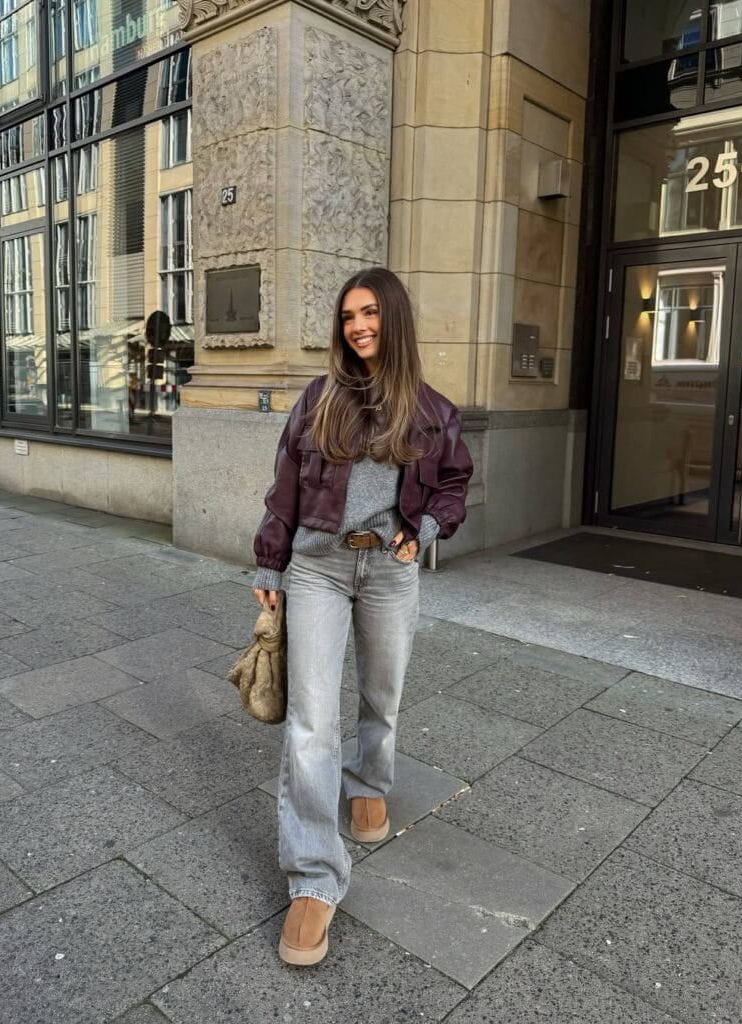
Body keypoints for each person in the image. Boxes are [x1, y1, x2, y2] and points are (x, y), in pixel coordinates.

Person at [252, 267, 473, 966]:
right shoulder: (318, 401)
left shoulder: (433, 409)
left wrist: (428, 530)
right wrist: (270, 562)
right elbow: (286, 480)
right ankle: (315, 876)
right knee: (312, 718)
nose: (357, 326)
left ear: (394, 319)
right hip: (317, 565)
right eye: (348, 316)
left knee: (383, 693)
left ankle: (370, 782)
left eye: (370, 312)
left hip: (389, 568)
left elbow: (454, 482)